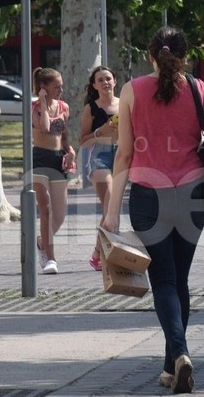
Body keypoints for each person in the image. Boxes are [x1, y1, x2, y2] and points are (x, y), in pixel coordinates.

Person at [102, 26, 204, 394]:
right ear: (184, 56)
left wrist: (112, 211)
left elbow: (125, 154)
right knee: (179, 280)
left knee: (164, 281)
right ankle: (172, 363)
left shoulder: (132, 90)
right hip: (193, 197)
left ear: (150, 55)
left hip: (148, 198)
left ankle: (179, 355)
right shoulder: (199, 89)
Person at [32, 67, 76, 275]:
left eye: (61, 86)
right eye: (56, 87)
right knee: (46, 209)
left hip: (57, 159)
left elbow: (63, 136)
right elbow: (45, 128)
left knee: (59, 214)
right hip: (39, 159)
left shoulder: (64, 107)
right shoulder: (34, 107)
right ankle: (51, 258)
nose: (61, 90)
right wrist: (42, 101)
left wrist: (70, 151)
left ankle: (42, 242)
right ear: (44, 87)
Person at [79, 66, 119, 271]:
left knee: (111, 210)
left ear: (115, 81)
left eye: (108, 78)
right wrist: (100, 131)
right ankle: (108, 254)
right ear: (94, 85)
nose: (105, 83)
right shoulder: (91, 108)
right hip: (98, 156)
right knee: (111, 205)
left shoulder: (124, 104)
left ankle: (97, 254)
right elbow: (83, 141)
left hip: (121, 155)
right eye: (100, 80)